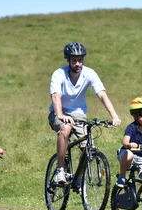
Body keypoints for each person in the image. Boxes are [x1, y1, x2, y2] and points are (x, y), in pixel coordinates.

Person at [48, 42, 121, 183]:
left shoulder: (89, 73)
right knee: (65, 129)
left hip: (79, 114)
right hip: (58, 112)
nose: (77, 64)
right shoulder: (59, 74)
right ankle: (60, 170)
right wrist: (60, 115)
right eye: (74, 60)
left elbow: (102, 94)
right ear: (68, 60)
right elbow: (55, 96)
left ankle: (79, 178)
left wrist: (114, 115)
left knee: (87, 147)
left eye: (80, 60)